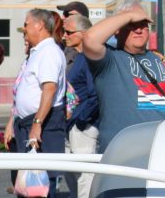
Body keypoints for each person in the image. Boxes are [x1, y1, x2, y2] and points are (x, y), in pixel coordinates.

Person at [82, 2, 165, 153]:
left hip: (164, 149)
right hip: (125, 153)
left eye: (144, 24)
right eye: (132, 24)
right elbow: (89, 38)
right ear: (117, 29)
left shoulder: (159, 59)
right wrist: (128, 16)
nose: (139, 30)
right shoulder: (110, 60)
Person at [5, 8, 67, 196]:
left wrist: (37, 123)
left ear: (39, 25)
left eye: (26, 24)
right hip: (28, 123)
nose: (24, 29)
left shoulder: (48, 51)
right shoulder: (37, 52)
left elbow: (49, 88)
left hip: (43, 125)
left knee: (41, 187)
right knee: (27, 187)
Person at [63, 13, 99, 198]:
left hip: (83, 128)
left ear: (84, 33)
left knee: (85, 177)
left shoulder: (89, 58)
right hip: (73, 126)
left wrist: (80, 120)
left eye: (69, 32)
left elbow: (95, 95)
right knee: (73, 177)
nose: (64, 36)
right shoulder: (79, 58)